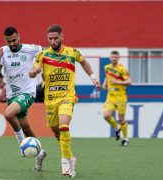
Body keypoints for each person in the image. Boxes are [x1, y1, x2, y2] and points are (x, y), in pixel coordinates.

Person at [29, 24, 101, 178]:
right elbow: (31, 72)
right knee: (57, 134)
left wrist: (94, 78)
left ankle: (66, 163)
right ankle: (70, 156)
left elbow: (84, 62)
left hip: (67, 97)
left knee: (63, 126)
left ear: (62, 37)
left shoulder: (72, 52)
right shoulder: (42, 55)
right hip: (50, 100)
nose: (53, 41)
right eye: (50, 38)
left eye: (56, 38)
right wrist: (34, 71)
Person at [0, 26, 47, 171]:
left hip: (27, 92)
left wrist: (38, 66)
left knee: (8, 114)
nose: (12, 43)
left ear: (19, 37)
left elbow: (47, 52)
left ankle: (21, 143)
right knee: (25, 126)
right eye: (8, 41)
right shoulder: (2, 52)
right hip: (12, 95)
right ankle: (40, 153)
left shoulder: (30, 49)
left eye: (14, 40)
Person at [102, 50, 132, 146]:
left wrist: (117, 82)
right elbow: (107, 77)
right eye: (112, 57)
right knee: (106, 116)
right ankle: (117, 127)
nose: (113, 59)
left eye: (115, 57)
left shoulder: (122, 69)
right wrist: (105, 83)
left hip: (121, 98)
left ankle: (125, 138)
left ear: (118, 58)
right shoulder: (107, 67)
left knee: (121, 118)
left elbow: (129, 82)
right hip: (110, 97)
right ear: (110, 58)